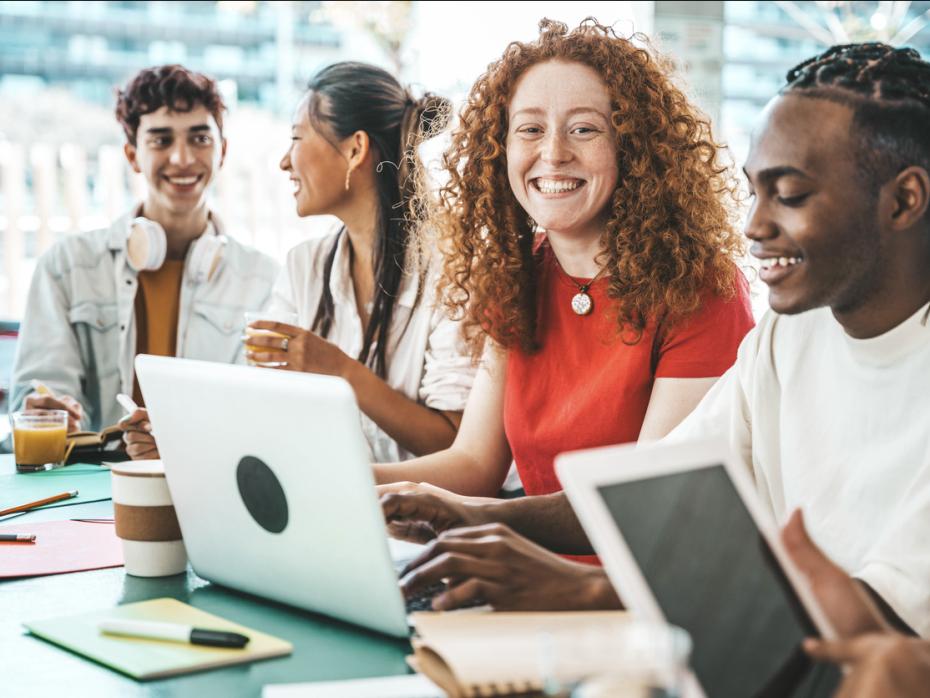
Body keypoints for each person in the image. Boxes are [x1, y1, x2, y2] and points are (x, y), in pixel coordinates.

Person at [383, 41, 930, 633]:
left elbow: (884, 618)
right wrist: (466, 514)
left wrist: (581, 588)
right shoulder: (788, 335)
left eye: (790, 195)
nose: (754, 227)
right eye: (754, 193)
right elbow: (651, 493)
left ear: (904, 200)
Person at [374, 17, 754, 534]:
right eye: (530, 129)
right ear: (499, 147)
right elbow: (474, 466)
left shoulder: (702, 290)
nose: (553, 153)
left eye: (584, 129)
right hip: (519, 565)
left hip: (627, 588)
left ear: (634, 147)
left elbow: (651, 505)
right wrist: (343, 479)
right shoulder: (514, 275)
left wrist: (471, 516)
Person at [11, 65, 279, 455]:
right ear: (133, 155)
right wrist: (47, 411)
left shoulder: (262, 280)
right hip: (91, 486)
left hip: (206, 487)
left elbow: (261, 418)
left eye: (200, 137)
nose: (183, 158)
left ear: (223, 151)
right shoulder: (66, 267)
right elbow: (37, 396)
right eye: (161, 140)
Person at [243, 62, 476, 462]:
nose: (284, 162)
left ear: (355, 149)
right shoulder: (305, 267)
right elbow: (266, 410)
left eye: (297, 138)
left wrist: (341, 371)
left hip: (434, 517)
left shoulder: (453, 267)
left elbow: (458, 446)